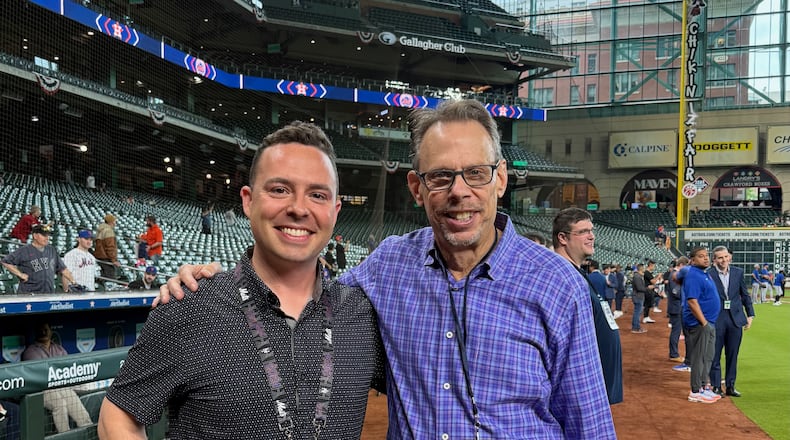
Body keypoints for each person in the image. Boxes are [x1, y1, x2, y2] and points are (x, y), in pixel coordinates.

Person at [162, 100, 617, 438]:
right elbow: (301, 292)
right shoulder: (388, 266)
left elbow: (590, 427)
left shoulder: (558, 285)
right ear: (417, 188)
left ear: (500, 178)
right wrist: (218, 282)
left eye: (476, 173)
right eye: (440, 177)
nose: (459, 191)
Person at [98, 121, 385, 439]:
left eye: (317, 195)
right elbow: (118, 417)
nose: (298, 208)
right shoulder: (189, 305)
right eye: (280, 190)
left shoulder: (361, 313)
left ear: (335, 210)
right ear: (248, 200)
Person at [552, 208, 623, 405]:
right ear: (562, 238)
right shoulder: (560, 276)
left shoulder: (577, 274)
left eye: (591, 231)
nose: (591, 236)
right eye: (583, 231)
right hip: (579, 391)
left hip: (594, 387)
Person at [22, 323, 92, 433]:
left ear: (50, 331)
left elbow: (68, 369)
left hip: (60, 386)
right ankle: (65, 435)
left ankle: (89, 432)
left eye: (46, 329)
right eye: (40, 330)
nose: (43, 332)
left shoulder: (59, 349)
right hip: (41, 389)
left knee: (73, 400)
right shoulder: (30, 351)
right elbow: (41, 374)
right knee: (59, 403)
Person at [708, 245, 754, 397]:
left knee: (733, 355)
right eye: (720, 257)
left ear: (730, 257)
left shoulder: (738, 272)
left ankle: (730, 386)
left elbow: (745, 295)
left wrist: (750, 315)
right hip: (716, 319)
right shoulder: (708, 274)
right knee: (715, 355)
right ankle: (716, 386)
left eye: (726, 256)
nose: (724, 260)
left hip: (735, 319)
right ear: (714, 260)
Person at [682, 246, 722, 403]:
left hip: (709, 322)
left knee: (708, 357)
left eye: (706, 255)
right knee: (699, 358)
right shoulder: (693, 275)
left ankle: (704, 387)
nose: (705, 258)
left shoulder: (704, 274)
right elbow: (692, 301)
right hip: (699, 323)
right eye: (701, 256)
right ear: (692, 260)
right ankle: (695, 390)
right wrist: (704, 322)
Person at [1, 224, 78, 293]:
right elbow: (5, 261)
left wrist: (73, 282)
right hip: (29, 293)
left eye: (48, 235)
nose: (47, 238)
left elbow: (63, 269)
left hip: (48, 293)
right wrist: (20, 274)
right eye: (44, 235)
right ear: (35, 236)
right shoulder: (24, 250)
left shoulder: (51, 250)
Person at [667, 257, 688, 363]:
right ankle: (674, 354)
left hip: (677, 307)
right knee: (676, 331)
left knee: (676, 331)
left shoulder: (675, 274)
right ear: (681, 265)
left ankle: (674, 353)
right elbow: (676, 292)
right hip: (676, 307)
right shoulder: (674, 275)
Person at [94, 214, 121, 286]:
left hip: (101, 257)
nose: (115, 223)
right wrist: (114, 260)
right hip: (106, 258)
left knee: (105, 280)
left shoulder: (101, 230)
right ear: (111, 222)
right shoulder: (108, 231)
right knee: (111, 282)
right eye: (114, 221)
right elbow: (110, 247)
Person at [631, 263, 648, 334]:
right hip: (638, 296)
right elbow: (639, 288)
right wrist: (647, 288)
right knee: (637, 312)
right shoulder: (637, 277)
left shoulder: (637, 276)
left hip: (638, 296)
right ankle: (635, 328)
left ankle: (636, 327)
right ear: (641, 269)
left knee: (638, 312)